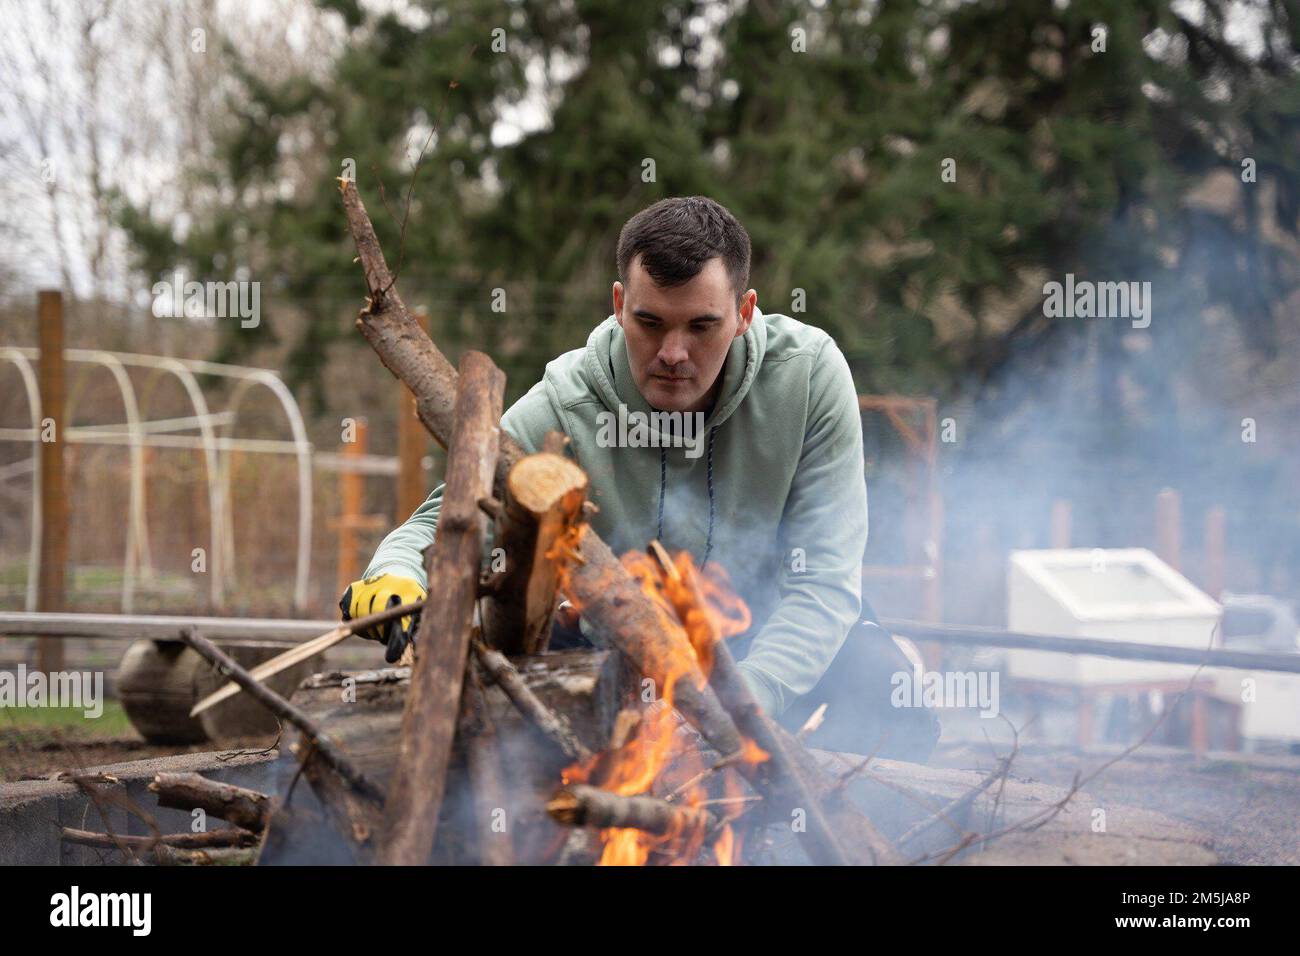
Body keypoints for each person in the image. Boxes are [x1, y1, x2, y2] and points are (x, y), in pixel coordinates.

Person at [340, 195, 938, 760]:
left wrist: (734, 709)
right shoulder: (563, 405)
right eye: (650, 323)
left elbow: (825, 585)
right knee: (525, 733)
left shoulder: (807, 378)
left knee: (888, 693)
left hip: (766, 642)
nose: (672, 352)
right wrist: (393, 575)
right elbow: (445, 517)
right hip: (616, 659)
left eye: (701, 326)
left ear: (744, 314)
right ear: (619, 304)